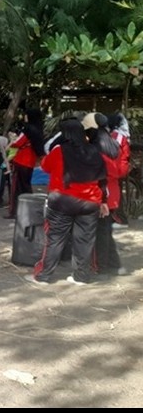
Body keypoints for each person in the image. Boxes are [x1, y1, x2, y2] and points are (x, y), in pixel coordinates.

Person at [25, 119, 108, 285]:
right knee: (84, 241)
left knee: (55, 239)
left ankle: (43, 276)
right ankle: (81, 277)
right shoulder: (95, 151)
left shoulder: (59, 150)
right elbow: (103, 179)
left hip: (62, 201)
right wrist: (104, 202)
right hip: (90, 202)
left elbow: (45, 166)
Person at [82, 112, 128, 277]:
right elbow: (121, 170)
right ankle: (114, 265)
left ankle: (101, 267)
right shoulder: (113, 144)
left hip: (102, 195)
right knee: (106, 231)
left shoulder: (96, 148)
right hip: (113, 193)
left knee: (99, 233)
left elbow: (97, 175)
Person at [7, 108, 45, 219]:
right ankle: (29, 210)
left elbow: (17, 143)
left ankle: (14, 211)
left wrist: (12, 140)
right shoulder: (39, 130)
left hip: (20, 161)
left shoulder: (28, 129)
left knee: (16, 188)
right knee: (26, 187)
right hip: (30, 163)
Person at [107, 112, 132, 229]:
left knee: (114, 194)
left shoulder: (117, 136)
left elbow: (114, 153)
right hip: (120, 168)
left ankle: (121, 219)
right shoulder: (121, 134)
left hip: (117, 169)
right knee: (116, 193)